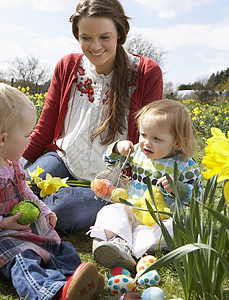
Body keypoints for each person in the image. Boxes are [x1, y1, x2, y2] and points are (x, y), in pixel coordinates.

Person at [0, 82, 104, 300]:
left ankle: (76, 280)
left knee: (59, 246)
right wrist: (1, 223)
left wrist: (43, 209)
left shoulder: (13, 164)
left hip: (13, 228)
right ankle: (52, 294)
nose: (30, 139)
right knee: (23, 258)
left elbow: (25, 193)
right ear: (3, 139)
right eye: (26, 135)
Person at [22, 0, 163, 235]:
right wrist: (14, 166)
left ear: (120, 33)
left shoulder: (146, 73)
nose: (95, 46)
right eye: (86, 38)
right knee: (18, 187)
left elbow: (149, 139)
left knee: (61, 211)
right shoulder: (68, 67)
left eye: (105, 37)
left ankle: (27, 219)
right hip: (63, 158)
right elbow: (45, 127)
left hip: (113, 178)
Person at [89, 100, 202, 271]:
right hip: (134, 209)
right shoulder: (138, 153)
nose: (146, 142)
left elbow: (198, 196)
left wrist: (178, 188)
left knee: (175, 228)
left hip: (163, 218)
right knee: (110, 211)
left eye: (156, 138)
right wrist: (117, 148)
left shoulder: (186, 165)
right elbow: (110, 163)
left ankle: (123, 245)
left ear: (177, 143)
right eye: (143, 135)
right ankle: (121, 244)